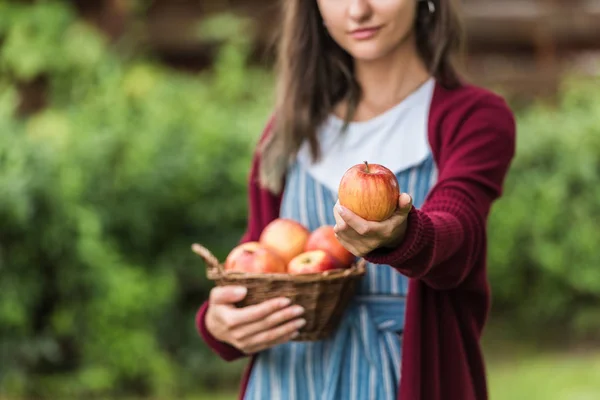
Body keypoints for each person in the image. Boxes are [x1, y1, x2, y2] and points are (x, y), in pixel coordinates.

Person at [195, 0, 516, 399]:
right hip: (286, 381)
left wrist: (403, 237)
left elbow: (459, 231)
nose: (357, 10)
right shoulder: (289, 130)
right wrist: (221, 323)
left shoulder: (473, 117)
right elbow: (260, 254)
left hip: (402, 377)